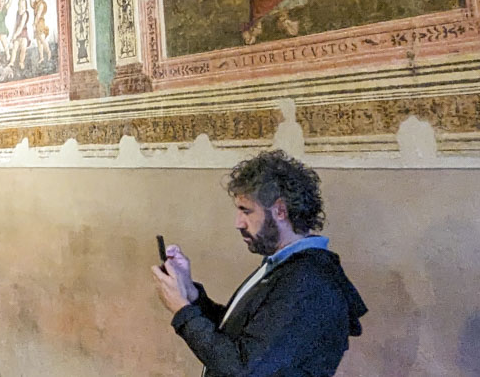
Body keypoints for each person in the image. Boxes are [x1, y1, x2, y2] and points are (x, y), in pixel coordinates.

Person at [151, 150, 366, 376]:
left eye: (246, 211)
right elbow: (239, 334)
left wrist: (182, 310)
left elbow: (241, 367)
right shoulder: (287, 266)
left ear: (280, 210)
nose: (238, 223)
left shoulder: (308, 281)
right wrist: (191, 295)